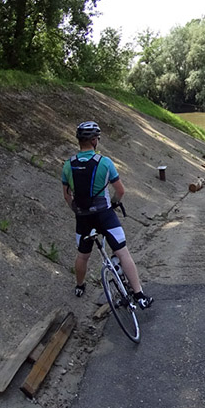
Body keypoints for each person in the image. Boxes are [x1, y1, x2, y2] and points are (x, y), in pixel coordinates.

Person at [61, 121, 151, 308]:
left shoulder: (68, 165)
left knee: (82, 256)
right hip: (105, 215)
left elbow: (67, 195)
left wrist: (76, 210)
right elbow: (120, 190)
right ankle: (139, 295)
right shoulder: (105, 162)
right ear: (94, 140)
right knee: (122, 252)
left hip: (83, 218)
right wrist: (116, 203)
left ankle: (79, 286)